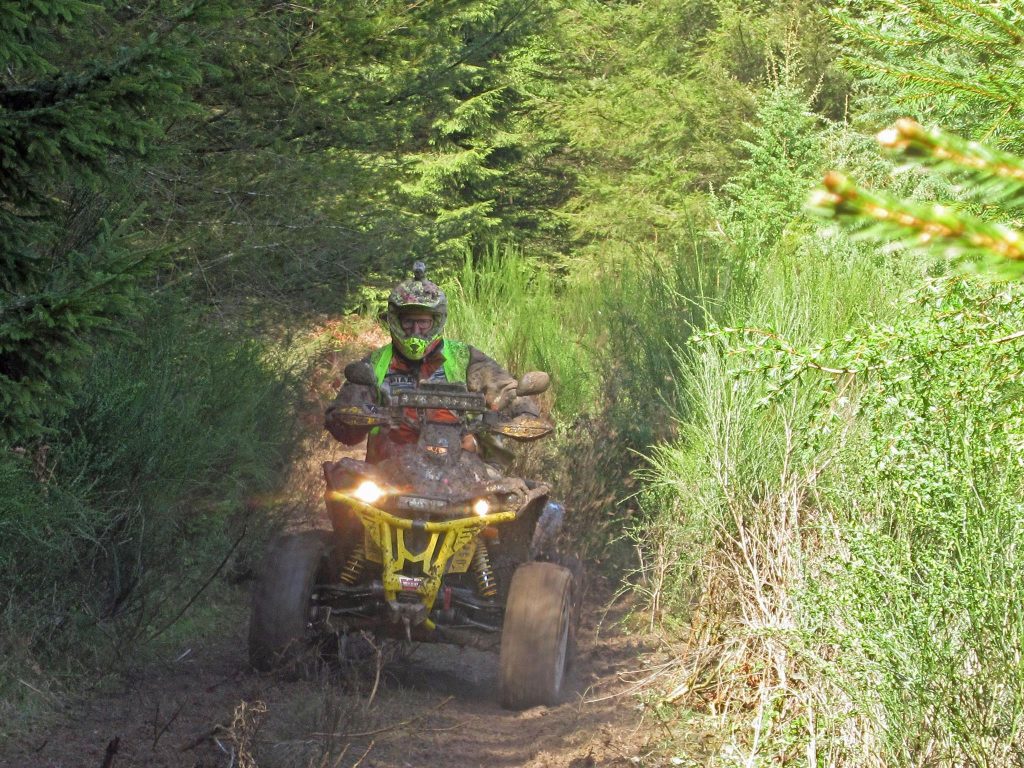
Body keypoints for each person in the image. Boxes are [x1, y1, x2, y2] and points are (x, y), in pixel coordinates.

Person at [324, 262, 538, 464]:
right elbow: (345, 426)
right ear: (395, 320)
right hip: (388, 468)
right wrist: (349, 416)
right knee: (344, 486)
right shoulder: (376, 362)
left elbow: (503, 388)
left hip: (460, 465)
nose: (416, 330)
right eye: (408, 321)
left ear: (436, 321)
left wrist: (525, 414)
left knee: (508, 497)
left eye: (423, 322)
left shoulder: (465, 357)